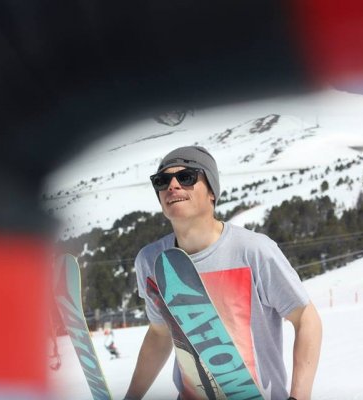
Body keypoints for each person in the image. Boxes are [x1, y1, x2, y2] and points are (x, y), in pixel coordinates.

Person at [124, 146, 322, 400]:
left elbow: (306, 318)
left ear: (212, 193)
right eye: (162, 181)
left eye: (186, 177)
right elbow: (160, 333)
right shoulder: (151, 261)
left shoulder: (253, 250)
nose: (172, 186)